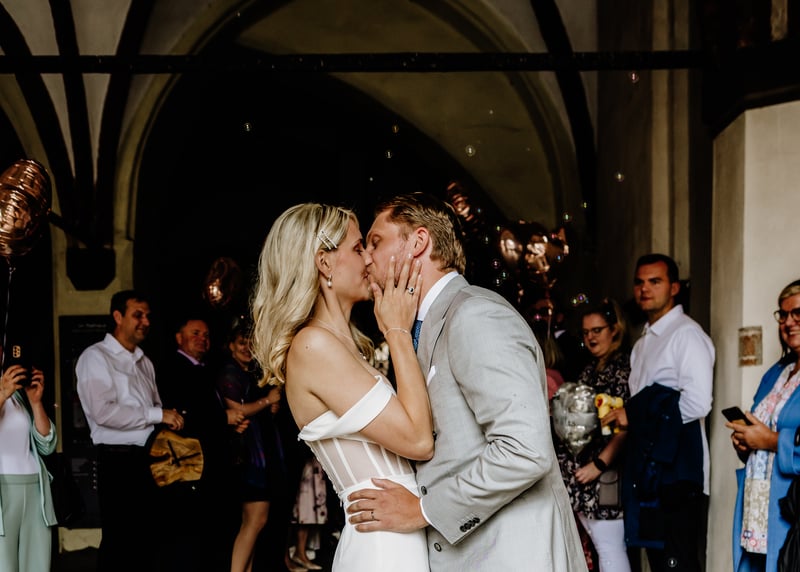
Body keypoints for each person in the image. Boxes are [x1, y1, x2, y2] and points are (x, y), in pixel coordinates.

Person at [346, 192, 586, 571]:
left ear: (418, 242)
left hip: (513, 556)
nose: (366, 257)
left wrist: (423, 510)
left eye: (376, 242)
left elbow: (524, 450)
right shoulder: (417, 330)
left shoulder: (475, 315)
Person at [250, 202, 433, 572]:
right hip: (383, 548)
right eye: (358, 247)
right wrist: (397, 331)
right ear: (324, 263)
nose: (369, 259)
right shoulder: (312, 346)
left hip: (399, 532)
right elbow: (418, 440)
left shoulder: (343, 346)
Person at [601, 253, 715, 572]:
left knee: (677, 564)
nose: (645, 289)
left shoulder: (686, 334)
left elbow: (697, 403)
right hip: (647, 471)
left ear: (674, 287)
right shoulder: (642, 343)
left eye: (655, 281)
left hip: (678, 470)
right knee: (658, 564)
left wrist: (635, 416)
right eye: (639, 282)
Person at [75, 289, 185, 572]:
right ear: (117, 316)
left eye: (148, 316)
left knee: (149, 542)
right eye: (138, 315)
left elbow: (156, 407)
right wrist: (157, 415)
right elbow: (103, 412)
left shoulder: (145, 362)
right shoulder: (95, 357)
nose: (145, 321)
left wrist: (165, 418)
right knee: (120, 543)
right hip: (118, 461)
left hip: (151, 458)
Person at [155, 314, 248, 571]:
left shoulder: (205, 368)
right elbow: (182, 415)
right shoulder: (172, 368)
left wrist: (230, 423)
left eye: (206, 335)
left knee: (210, 535)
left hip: (210, 465)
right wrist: (224, 418)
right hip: (188, 467)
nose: (202, 339)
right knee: (188, 537)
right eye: (195, 333)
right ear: (179, 337)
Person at [554, 298, 631, 572]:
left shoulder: (622, 369)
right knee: (600, 550)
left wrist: (598, 465)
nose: (590, 337)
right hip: (585, 477)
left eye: (597, 330)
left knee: (609, 548)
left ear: (614, 329)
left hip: (605, 475)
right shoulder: (591, 368)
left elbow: (624, 427)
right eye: (586, 332)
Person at [728, 279, 800, 571]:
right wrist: (746, 442)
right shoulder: (777, 373)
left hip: (792, 510)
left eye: (798, 313)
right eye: (783, 315)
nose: (788, 322)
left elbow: (772, 437)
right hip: (757, 510)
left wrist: (770, 441)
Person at [216, 320, 282, 572]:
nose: (247, 348)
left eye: (251, 344)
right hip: (247, 457)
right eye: (242, 343)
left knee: (256, 521)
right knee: (254, 520)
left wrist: (269, 405)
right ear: (231, 346)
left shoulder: (249, 373)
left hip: (258, 454)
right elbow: (237, 410)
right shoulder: (229, 372)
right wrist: (267, 401)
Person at [0, 356, 57, 572]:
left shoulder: (16, 392)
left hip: (36, 488)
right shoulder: (6, 390)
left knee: (37, 566)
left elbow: (47, 445)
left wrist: (35, 402)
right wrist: (2, 394)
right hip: (3, 492)